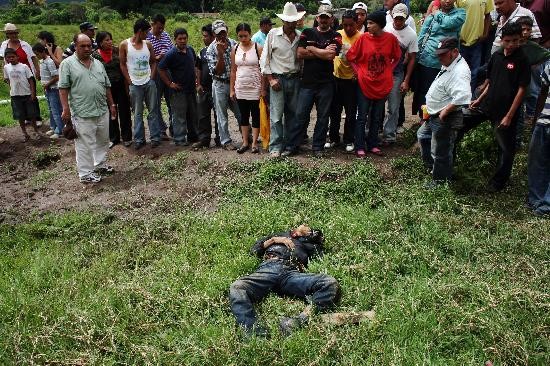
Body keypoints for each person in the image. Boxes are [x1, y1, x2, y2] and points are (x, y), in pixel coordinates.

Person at [229, 225, 340, 338]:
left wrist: (317, 240)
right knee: (238, 287)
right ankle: (254, 335)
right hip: (268, 268)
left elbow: (321, 258)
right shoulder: (277, 235)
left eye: (310, 232)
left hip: (291, 273)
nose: (308, 230)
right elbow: (254, 251)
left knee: (329, 282)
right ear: (296, 228)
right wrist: (275, 240)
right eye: (307, 227)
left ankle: (297, 322)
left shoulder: (310, 246)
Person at [470, 22, 530, 191]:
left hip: (505, 111)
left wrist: (509, 116)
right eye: (508, 40)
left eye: (516, 40)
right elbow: (490, 81)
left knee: (505, 148)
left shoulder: (522, 60)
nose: (512, 44)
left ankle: (499, 182)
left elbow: (522, 89)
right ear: (502, 40)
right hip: (488, 105)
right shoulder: (496, 56)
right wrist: (479, 99)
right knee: (462, 123)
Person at [283, 4, 342, 156]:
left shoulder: (336, 36)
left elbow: (331, 55)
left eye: (326, 18)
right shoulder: (307, 33)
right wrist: (321, 51)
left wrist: (312, 49)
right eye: (321, 17)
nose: (323, 20)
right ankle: (292, 146)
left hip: (326, 83)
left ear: (331, 19)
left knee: (323, 117)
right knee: (300, 115)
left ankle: (318, 147)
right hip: (307, 83)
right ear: (317, 18)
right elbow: (300, 53)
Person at [59, 34, 117, 183]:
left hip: (101, 109)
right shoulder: (67, 64)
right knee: (85, 144)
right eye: (82, 46)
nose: (86, 48)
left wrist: (111, 104)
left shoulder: (97, 63)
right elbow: (63, 88)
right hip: (82, 112)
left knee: (103, 140)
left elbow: (106, 86)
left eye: (89, 46)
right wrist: (65, 109)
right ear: (75, 46)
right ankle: (85, 173)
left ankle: (100, 164)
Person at [347, 10, 401, 157]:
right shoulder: (363, 38)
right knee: (362, 116)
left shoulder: (390, 39)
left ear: (380, 25)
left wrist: (390, 70)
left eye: (371, 23)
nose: (367, 25)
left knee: (377, 116)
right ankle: (359, 146)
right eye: (368, 23)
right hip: (365, 83)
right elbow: (350, 56)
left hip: (382, 84)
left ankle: (373, 144)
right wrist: (358, 72)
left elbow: (397, 57)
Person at [420, 37, 471, 186]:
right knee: (423, 136)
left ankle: (440, 182)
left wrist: (445, 111)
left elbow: (462, 96)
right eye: (439, 54)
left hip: (445, 116)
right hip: (433, 113)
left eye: (443, 54)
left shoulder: (460, 71)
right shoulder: (449, 63)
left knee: (441, 150)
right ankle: (434, 168)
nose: (439, 57)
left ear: (454, 52)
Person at [260, 2, 304, 158]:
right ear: (283, 21)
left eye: (293, 21)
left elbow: (302, 59)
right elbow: (264, 59)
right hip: (278, 79)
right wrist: (270, 79)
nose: (291, 24)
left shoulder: (300, 36)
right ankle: (276, 147)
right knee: (277, 116)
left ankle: (290, 145)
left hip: (295, 78)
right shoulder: (273, 34)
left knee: (293, 114)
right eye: (288, 21)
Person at [412, 0, 465, 118]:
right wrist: (416, 55)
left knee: (444, 92)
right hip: (428, 59)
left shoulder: (460, 14)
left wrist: (436, 13)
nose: (447, 1)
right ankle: (424, 119)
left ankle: (439, 118)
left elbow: (448, 23)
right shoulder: (432, 15)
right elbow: (422, 34)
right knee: (425, 91)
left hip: (449, 62)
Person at [120, 19, 160, 150]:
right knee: (137, 113)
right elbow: (122, 64)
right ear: (140, 31)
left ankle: (155, 137)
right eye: (147, 32)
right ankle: (139, 139)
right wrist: (129, 80)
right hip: (135, 84)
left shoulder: (148, 44)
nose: (148, 35)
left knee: (153, 110)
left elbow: (153, 62)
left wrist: (152, 77)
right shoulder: (124, 45)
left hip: (148, 83)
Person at [382, 4, 418, 145]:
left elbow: (413, 58)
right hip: (382, 72)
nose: (398, 21)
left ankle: (389, 136)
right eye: (396, 18)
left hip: (397, 73)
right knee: (377, 105)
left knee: (394, 106)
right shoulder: (386, 28)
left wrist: (406, 80)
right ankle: (372, 132)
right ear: (392, 16)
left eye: (401, 19)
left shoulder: (411, 34)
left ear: (406, 18)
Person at [326, 10, 361, 152]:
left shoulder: (362, 38)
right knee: (334, 111)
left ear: (356, 23)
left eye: (351, 25)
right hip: (336, 78)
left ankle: (349, 139)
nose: (348, 28)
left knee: (351, 112)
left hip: (352, 80)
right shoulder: (338, 34)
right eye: (345, 25)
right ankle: (334, 138)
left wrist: (358, 73)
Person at [92, 31, 133, 148]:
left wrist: (127, 86)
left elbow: (125, 66)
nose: (110, 42)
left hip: (120, 85)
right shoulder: (95, 56)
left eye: (110, 39)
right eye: (106, 40)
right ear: (100, 43)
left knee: (125, 111)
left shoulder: (116, 51)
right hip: (106, 88)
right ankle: (114, 138)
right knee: (110, 112)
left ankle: (127, 137)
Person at [206, 19, 242, 151]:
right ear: (214, 34)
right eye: (218, 34)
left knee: (240, 112)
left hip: (234, 83)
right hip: (220, 84)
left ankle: (246, 136)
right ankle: (226, 141)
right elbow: (217, 71)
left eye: (223, 32)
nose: (221, 36)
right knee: (222, 115)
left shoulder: (233, 43)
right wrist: (220, 54)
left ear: (227, 30)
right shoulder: (211, 49)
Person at [158, 28, 198, 147]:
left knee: (192, 114)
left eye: (184, 38)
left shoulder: (190, 50)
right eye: (180, 39)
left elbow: (194, 64)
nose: (182, 41)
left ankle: (193, 136)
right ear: (175, 40)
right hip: (178, 91)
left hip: (191, 89)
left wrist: (196, 79)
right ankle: (179, 139)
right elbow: (161, 68)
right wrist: (169, 83)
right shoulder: (171, 54)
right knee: (179, 116)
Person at [230, 23, 264, 154]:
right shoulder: (235, 48)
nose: (243, 38)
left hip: (255, 88)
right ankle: (245, 142)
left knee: (255, 115)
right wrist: (232, 89)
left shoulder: (257, 48)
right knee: (243, 116)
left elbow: (263, 70)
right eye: (240, 36)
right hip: (240, 88)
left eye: (245, 35)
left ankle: (255, 143)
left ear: (250, 34)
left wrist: (262, 89)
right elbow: (233, 70)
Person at [0, 23, 42, 126]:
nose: (14, 35)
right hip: (13, 74)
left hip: (27, 73)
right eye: (11, 33)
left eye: (15, 33)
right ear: (7, 35)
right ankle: (26, 117)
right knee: (19, 96)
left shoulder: (25, 44)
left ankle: (36, 117)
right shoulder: (4, 45)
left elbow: (33, 58)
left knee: (32, 95)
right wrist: (4, 73)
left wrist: (37, 71)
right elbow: (2, 60)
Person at [527, 60, 550, 217]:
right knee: (536, 161)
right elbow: (543, 90)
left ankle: (547, 204)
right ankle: (536, 199)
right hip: (545, 120)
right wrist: (536, 118)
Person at [3, 48, 40, 141]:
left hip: (27, 94)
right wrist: (12, 89)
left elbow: (31, 80)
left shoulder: (24, 67)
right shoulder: (6, 68)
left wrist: (33, 93)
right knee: (20, 115)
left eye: (13, 56)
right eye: (9, 57)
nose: (11, 59)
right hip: (15, 96)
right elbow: (7, 79)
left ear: (17, 57)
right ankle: (25, 133)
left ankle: (36, 131)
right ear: (6, 59)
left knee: (32, 114)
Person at [146, 14, 173, 140]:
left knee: (171, 101)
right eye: (158, 28)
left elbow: (172, 49)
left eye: (162, 28)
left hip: (168, 71)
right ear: (152, 24)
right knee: (155, 103)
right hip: (155, 72)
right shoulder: (146, 37)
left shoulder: (166, 35)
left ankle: (174, 128)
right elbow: (144, 57)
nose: (161, 30)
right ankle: (161, 130)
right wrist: (156, 58)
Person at [456, 0, 493, 90]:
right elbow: (453, 13)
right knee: (459, 71)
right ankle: (458, 97)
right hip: (461, 41)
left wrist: (485, 34)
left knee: (474, 72)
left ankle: (469, 99)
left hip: (476, 42)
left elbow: (488, 15)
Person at [194, 24, 220, 149]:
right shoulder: (202, 52)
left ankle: (220, 139)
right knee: (203, 116)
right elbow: (198, 68)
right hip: (204, 89)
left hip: (216, 88)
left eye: (205, 36)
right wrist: (198, 84)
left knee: (218, 115)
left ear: (212, 36)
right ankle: (204, 139)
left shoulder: (219, 50)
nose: (203, 38)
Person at [32, 43, 63, 140]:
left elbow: (56, 77)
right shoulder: (42, 62)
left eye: (37, 54)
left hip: (53, 89)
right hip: (47, 90)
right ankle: (53, 127)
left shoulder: (49, 62)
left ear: (43, 52)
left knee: (56, 110)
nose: (37, 56)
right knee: (51, 110)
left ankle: (60, 130)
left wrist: (47, 84)